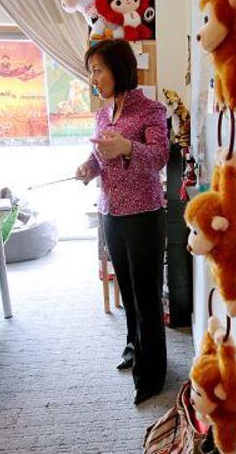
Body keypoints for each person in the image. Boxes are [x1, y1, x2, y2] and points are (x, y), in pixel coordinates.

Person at [76, 39, 169, 406]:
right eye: (92, 71)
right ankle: (133, 347)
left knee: (147, 296)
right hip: (110, 211)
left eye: (98, 69)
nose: (94, 78)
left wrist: (127, 147)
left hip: (144, 214)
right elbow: (101, 155)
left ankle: (153, 373)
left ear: (119, 68)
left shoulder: (151, 110)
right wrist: (89, 166)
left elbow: (160, 156)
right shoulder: (103, 113)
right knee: (126, 290)